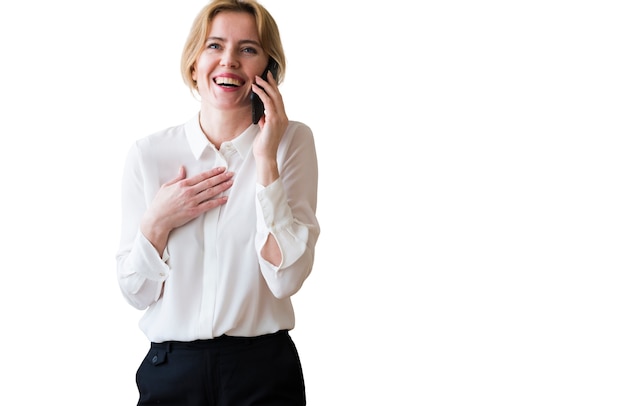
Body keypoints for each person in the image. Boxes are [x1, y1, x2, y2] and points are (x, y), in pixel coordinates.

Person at [115, 0, 320, 404]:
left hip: (262, 372)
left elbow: (286, 279)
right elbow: (136, 292)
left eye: (248, 49)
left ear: (268, 70)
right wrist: (157, 222)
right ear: (194, 64)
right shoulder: (148, 154)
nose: (229, 61)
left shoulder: (292, 143)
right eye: (214, 46)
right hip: (172, 373)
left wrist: (266, 160)